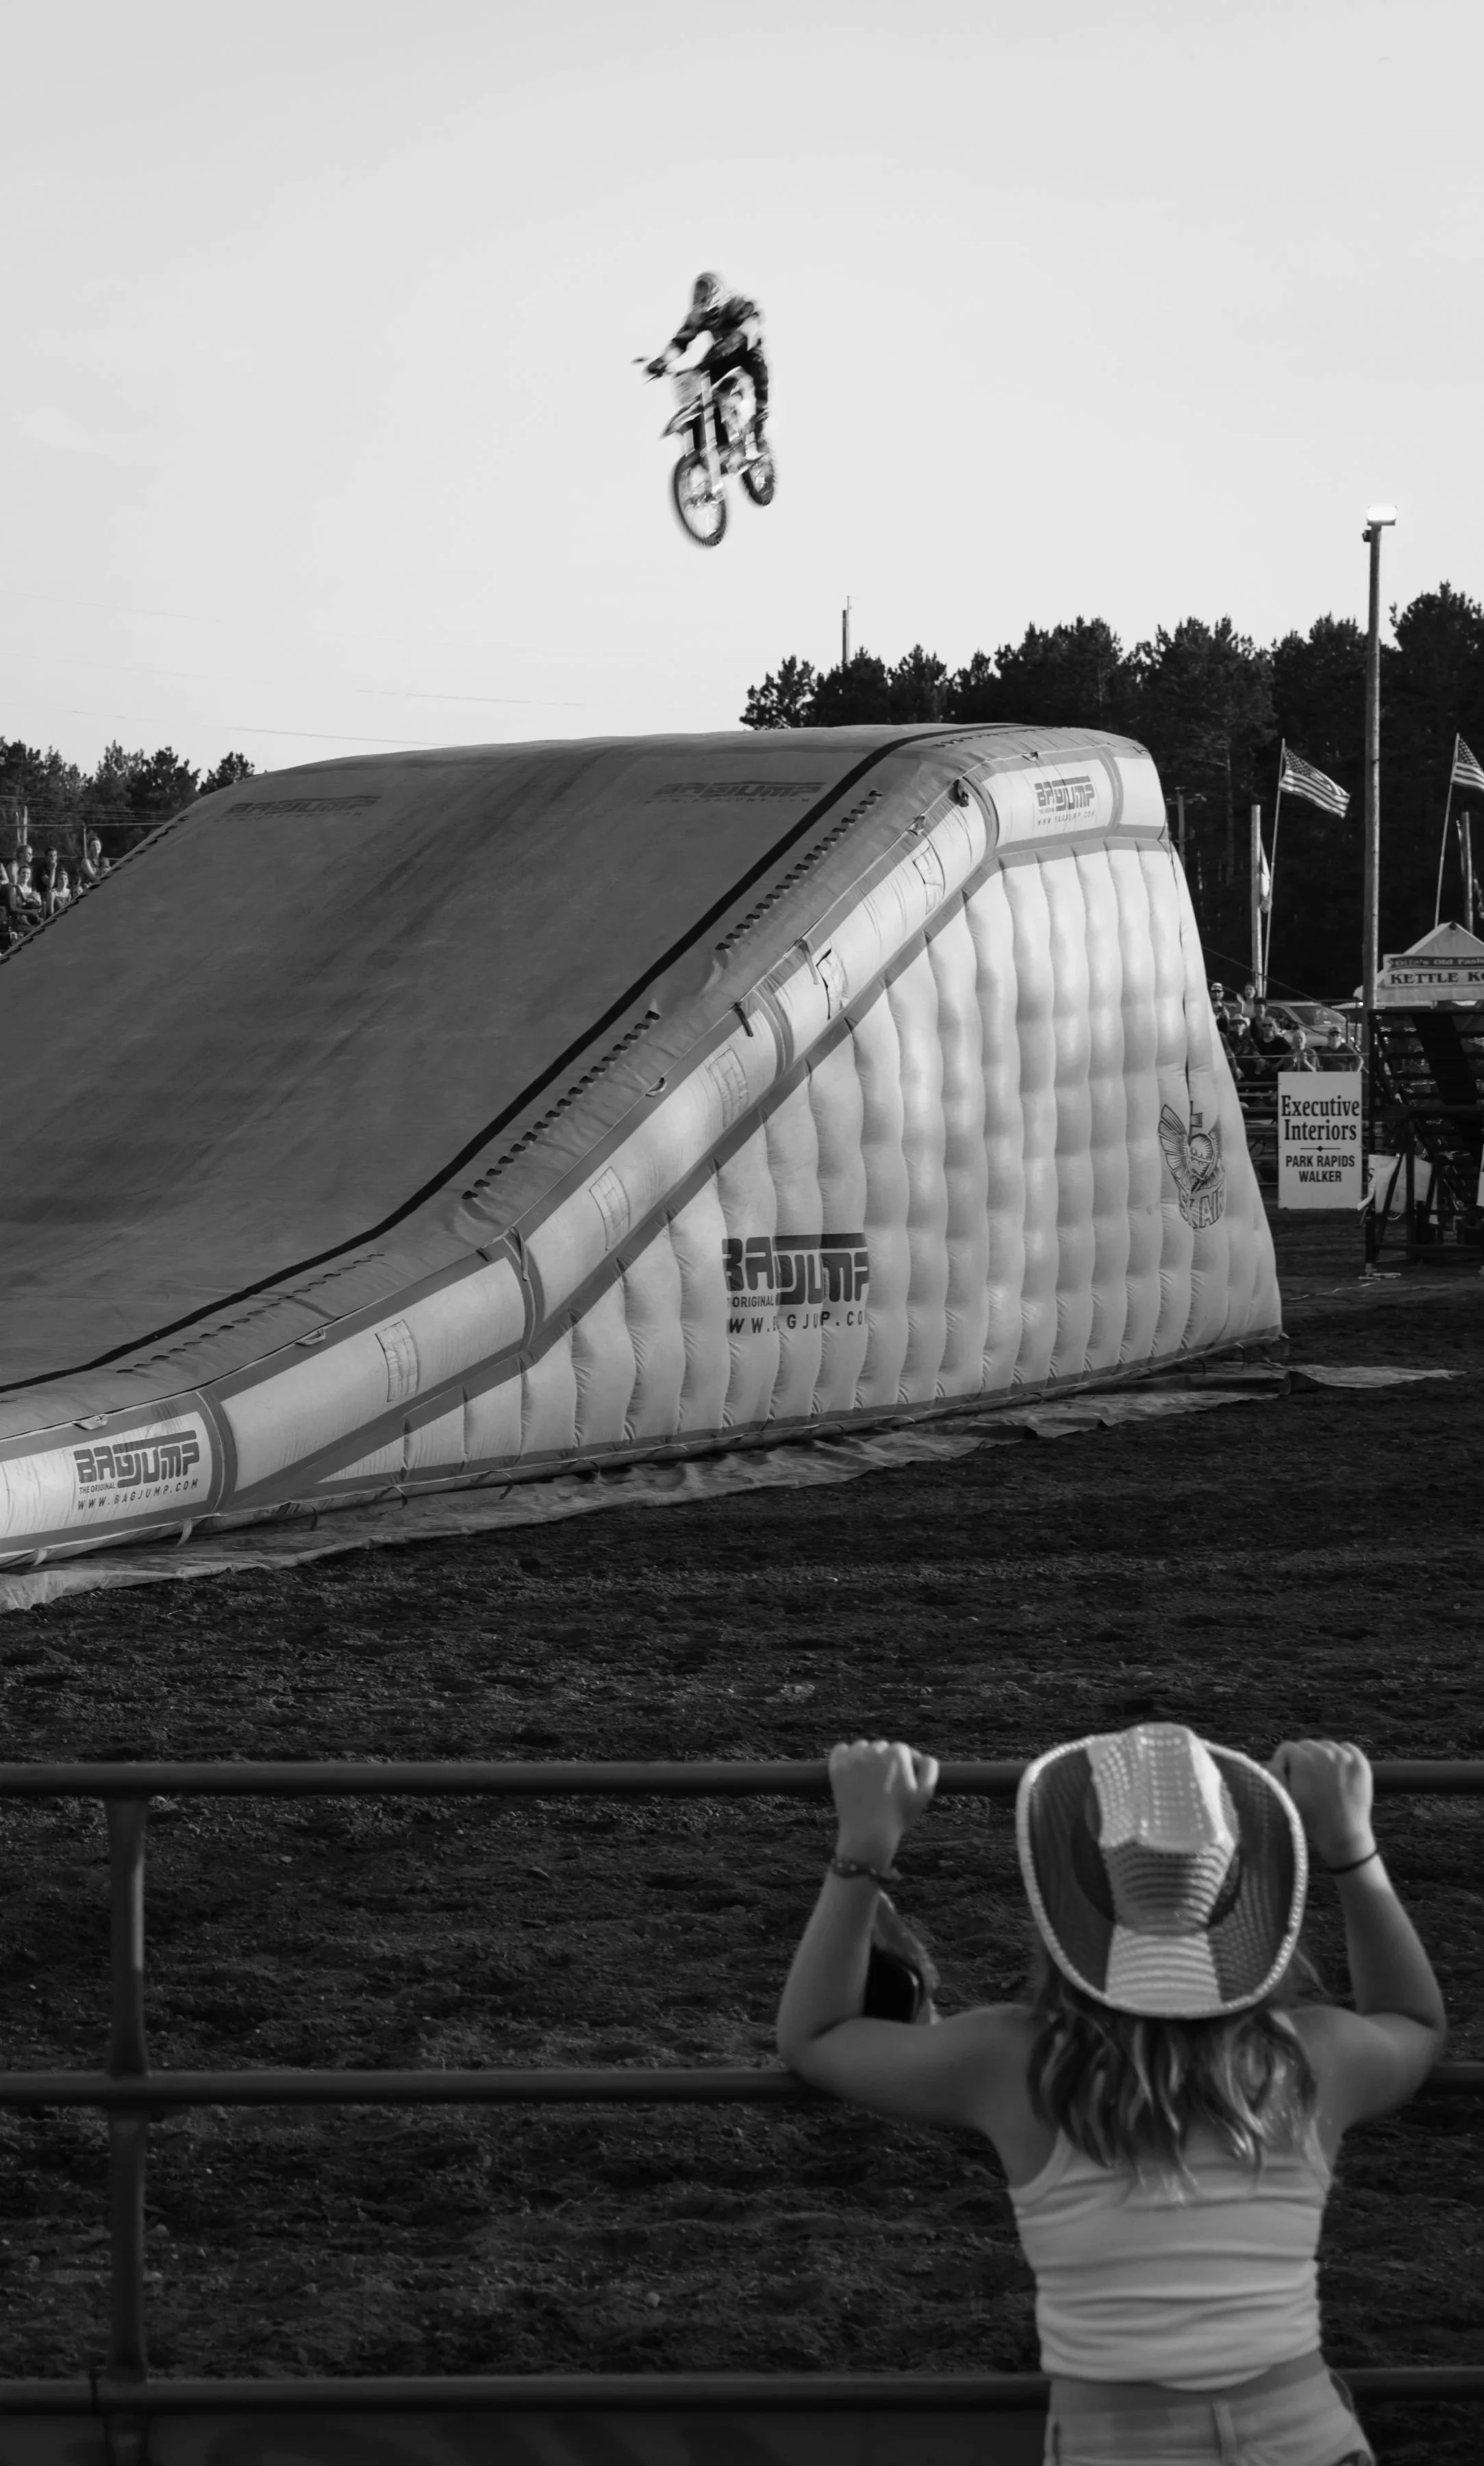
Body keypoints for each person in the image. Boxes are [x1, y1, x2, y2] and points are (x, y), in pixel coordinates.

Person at [778, 1721, 1445, 2465]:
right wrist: (1352, 1849)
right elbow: (1415, 2019)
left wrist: (862, 1850)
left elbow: (816, 2034)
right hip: (1302, 2430)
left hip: (1116, 2445)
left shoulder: (1010, 2059)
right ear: (1248, 1897)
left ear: (1066, 1908)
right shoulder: (1314, 2055)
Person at [648, 271, 769, 449]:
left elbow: (752, 322)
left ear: (717, 291)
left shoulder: (735, 304)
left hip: (745, 349)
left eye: (705, 292)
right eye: (698, 294)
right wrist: (663, 361)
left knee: (759, 366)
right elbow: (681, 341)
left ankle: (760, 418)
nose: (702, 298)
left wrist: (736, 338)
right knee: (697, 377)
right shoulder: (698, 316)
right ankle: (706, 422)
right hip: (722, 353)